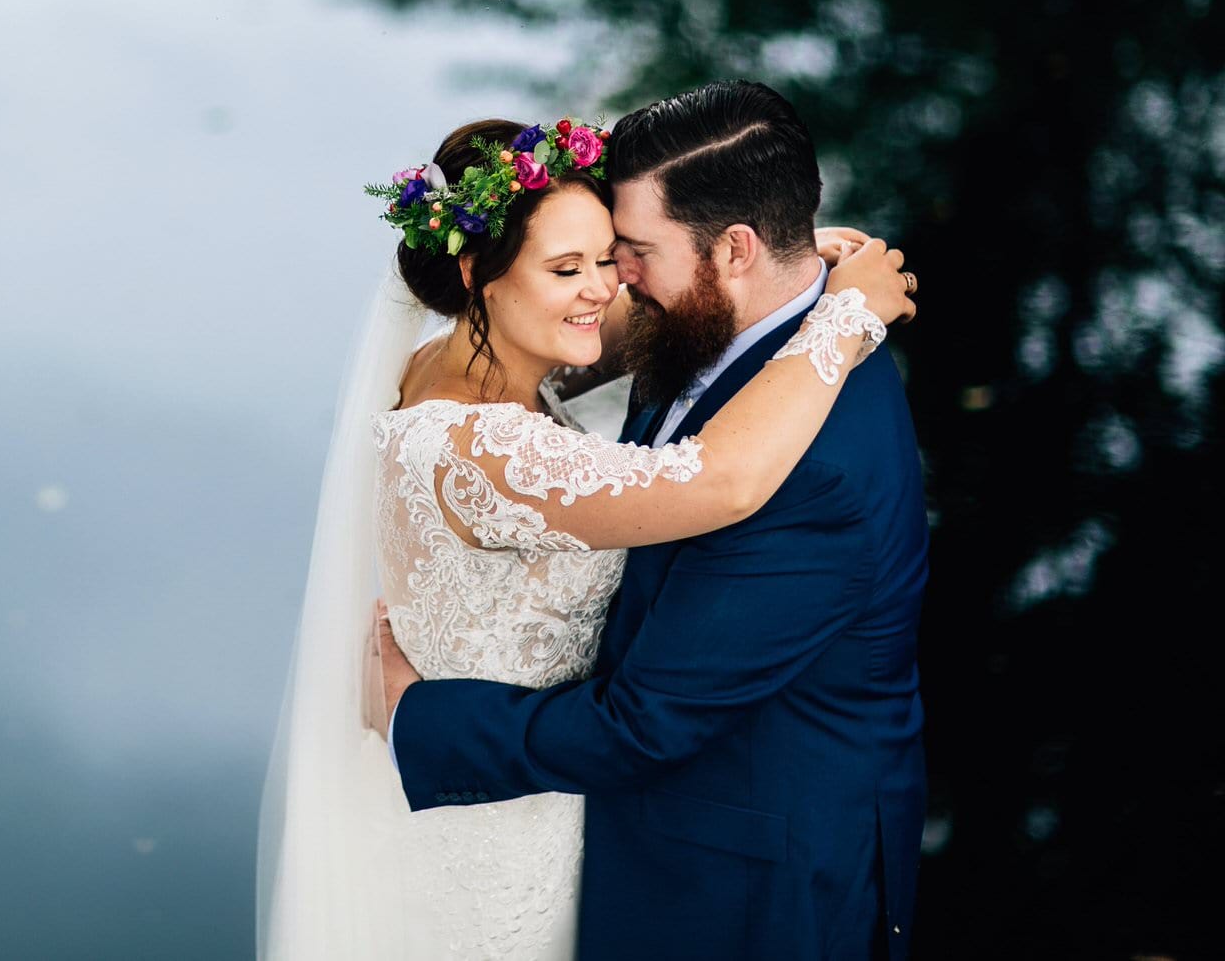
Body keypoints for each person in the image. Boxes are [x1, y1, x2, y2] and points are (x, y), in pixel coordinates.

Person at [255, 84, 924, 960]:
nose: (615, 288)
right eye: (583, 264)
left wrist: (424, 718)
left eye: (625, 254)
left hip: (749, 878)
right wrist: (835, 307)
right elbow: (700, 462)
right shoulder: (684, 331)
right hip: (536, 832)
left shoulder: (817, 466)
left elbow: (648, 717)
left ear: (735, 250)